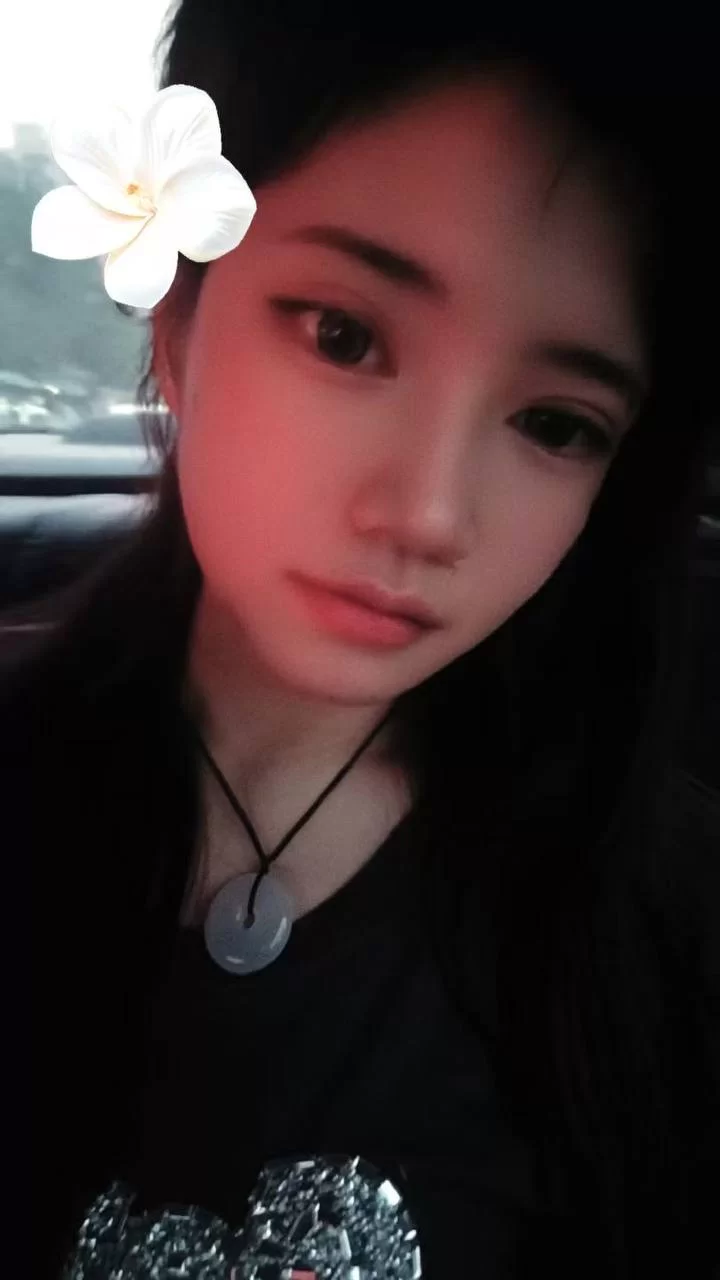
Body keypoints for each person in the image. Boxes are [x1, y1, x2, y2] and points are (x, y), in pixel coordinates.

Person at [4, 5, 718, 1278]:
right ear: (177, 326)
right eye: (345, 335)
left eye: (557, 424)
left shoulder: (664, 920)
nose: (430, 513)